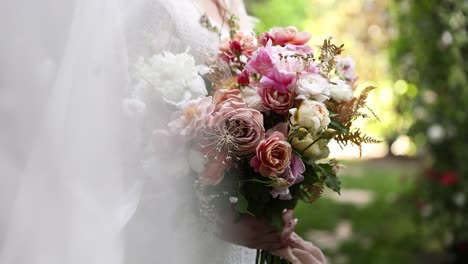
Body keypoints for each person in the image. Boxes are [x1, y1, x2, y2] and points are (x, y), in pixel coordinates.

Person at [0, 0, 325, 263]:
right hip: (177, 230)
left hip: (236, 232)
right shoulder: (148, 7)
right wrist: (218, 219)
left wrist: (268, 194)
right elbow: (122, 139)